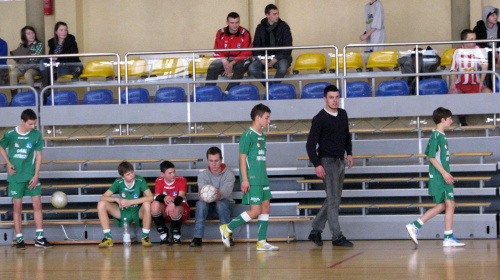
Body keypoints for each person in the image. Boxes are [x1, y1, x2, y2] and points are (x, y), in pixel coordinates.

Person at [220, 103, 279, 251]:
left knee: (266, 208)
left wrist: (265, 175)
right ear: (258, 118)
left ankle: (261, 242)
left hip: (262, 178)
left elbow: (262, 158)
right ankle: (227, 228)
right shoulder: (247, 135)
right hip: (253, 179)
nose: (269, 121)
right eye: (267, 118)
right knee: (255, 211)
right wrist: (244, 179)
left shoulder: (262, 136)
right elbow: (242, 158)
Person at [406, 107, 466, 247]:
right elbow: (431, 157)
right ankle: (448, 237)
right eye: (450, 118)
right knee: (450, 204)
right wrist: (445, 173)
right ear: (443, 119)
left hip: (442, 175)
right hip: (440, 176)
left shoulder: (440, 135)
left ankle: (415, 225)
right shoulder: (436, 136)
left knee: (443, 205)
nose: (452, 121)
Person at [306, 84, 354, 247]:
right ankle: (337, 236)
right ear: (325, 99)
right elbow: (310, 145)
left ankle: (315, 230)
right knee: (334, 200)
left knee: (333, 199)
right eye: (331, 97)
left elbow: (346, 135)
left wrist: (349, 153)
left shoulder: (343, 114)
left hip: (340, 160)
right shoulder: (319, 118)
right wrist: (317, 165)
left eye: (337, 97)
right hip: (327, 161)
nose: (335, 100)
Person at [0, 109, 53, 249]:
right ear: (22, 121)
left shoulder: (36, 135)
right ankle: (19, 239)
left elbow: (39, 156)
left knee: (38, 205)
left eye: (34, 124)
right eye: (30, 124)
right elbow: (1, 146)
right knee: (17, 208)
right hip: (16, 177)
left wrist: (36, 176)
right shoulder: (10, 134)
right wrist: (8, 163)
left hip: (31, 176)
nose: (32, 127)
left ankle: (39, 238)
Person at [97, 161, 153, 247]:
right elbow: (104, 197)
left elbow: (150, 197)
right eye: (128, 174)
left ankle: (145, 237)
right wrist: (116, 199)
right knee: (101, 204)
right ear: (122, 176)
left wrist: (130, 202)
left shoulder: (140, 180)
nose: (132, 175)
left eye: (132, 172)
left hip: (138, 211)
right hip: (123, 210)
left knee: (147, 204)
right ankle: (108, 238)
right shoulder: (118, 182)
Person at [190, 147, 235, 247]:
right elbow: (203, 190)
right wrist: (202, 195)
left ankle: (227, 236)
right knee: (200, 204)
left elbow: (226, 192)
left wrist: (218, 194)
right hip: (208, 208)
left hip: (225, 206)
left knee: (221, 203)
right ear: (207, 161)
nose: (214, 164)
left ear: (221, 160)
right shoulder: (202, 175)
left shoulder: (229, 175)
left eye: (216, 161)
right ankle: (197, 238)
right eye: (211, 161)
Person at [449, 29, 492, 126]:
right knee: (454, 95)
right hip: (460, 85)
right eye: (471, 39)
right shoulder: (458, 51)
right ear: (464, 41)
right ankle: (461, 119)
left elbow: (485, 65)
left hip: (476, 84)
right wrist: (453, 86)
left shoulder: (479, 49)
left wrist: (481, 82)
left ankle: (486, 118)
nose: (474, 41)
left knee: (488, 93)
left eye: (475, 39)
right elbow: (453, 70)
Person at [206, 12, 252, 94]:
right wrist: (224, 61)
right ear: (227, 23)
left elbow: (247, 52)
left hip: (240, 60)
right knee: (212, 68)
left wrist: (232, 63)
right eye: (232, 23)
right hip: (225, 60)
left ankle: (229, 92)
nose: (235, 25)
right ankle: (209, 93)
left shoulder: (245, 33)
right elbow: (217, 50)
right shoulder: (221, 33)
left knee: (240, 67)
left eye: (237, 22)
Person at [248, 4, 293, 86]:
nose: (277, 16)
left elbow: (288, 46)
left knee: (283, 67)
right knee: (252, 68)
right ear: (267, 15)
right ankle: (270, 86)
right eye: (274, 14)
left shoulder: (284, 27)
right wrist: (262, 60)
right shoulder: (260, 28)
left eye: (278, 13)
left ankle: (273, 88)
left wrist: (276, 58)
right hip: (264, 58)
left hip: (280, 58)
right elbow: (255, 47)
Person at [151, 160, 190, 245]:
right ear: (162, 174)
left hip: (180, 210)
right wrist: (164, 197)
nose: (173, 175)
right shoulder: (159, 180)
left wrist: (173, 203)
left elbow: (181, 196)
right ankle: (163, 234)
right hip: (165, 211)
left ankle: (176, 235)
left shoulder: (181, 180)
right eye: (170, 173)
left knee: (175, 209)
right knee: (154, 205)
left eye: (174, 172)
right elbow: (157, 196)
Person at [41, 22, 83, 89]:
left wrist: (57, 58)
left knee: (48, 72)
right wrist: (51, 58)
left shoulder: (71, 42)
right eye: (61, 30)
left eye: (65, 30)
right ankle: (46, 87)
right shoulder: (52, 43)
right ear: (56, 32)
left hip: (68, 66)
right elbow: (50, 56)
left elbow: (73, 57)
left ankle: (46, 89)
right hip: (54, 67)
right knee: (43, 61)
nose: (64, 32)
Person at [9, 26, 44, 98]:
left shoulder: (39, 44)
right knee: (12, 73)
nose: (31, 35)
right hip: (22, 66)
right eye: (28, 33)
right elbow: (17, 56)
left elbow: (35, 59)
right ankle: (14, 98)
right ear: (24, 35)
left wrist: (24, 56)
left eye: (32, 33)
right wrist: (29, 55)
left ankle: (31, 97)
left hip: (33, 67)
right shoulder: (21, 44)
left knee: (27, 75)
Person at [473, 6, 500, 89]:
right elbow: (478, 44)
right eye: (492, 15)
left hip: (499, 53)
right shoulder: (479, 28)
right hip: (487, 55)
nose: (495, 17)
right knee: (487, 63)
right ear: (486, 17)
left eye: (496, 15)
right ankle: (489, 88)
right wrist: (493, 51)